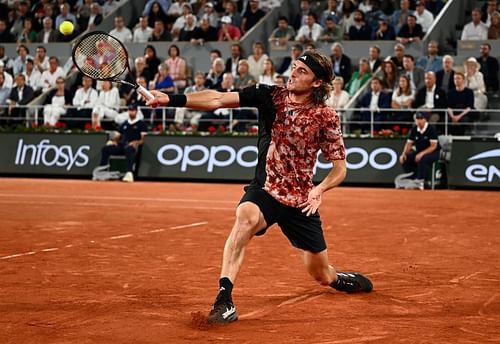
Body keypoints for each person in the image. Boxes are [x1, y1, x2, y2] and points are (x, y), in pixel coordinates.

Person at [146, 50, 373, 324]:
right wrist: (170, 99)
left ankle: (338, 278)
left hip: (300, 200)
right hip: (265, 189)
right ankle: (224, 298)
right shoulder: (269, 96)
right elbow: (217, 98)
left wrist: (320, 189)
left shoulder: (325, 116)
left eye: (302, 71)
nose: (293, 73)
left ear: (317, 82)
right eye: (295, 67)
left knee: (321, 275)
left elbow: (340, 167)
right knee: (245, 217)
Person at [97, 104, 148, 183]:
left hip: (132, 147)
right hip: (121, 145)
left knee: (129, 149)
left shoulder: (141, 124)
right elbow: (118, 136)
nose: (131, 112)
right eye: (130, 111)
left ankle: (129, 173)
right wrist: (114, 141)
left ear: (136, 112)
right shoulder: (124, 123)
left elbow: (143, 140)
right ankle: (102, 172)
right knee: (105, 149)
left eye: (133, 111)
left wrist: (136, 142)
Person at [399, 111, 441, 190]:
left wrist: (421, 154)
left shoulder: (431, 129)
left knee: (422, 159)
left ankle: (420, 182)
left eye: (421, 119)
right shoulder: (415, 129)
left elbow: (433, 146)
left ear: (425, 120)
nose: (418, 121)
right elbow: (409, 143)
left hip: (434, 152)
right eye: (417, 119)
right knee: (406, 159)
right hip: (419, 151)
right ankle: (412, 178)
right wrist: (404, 154)